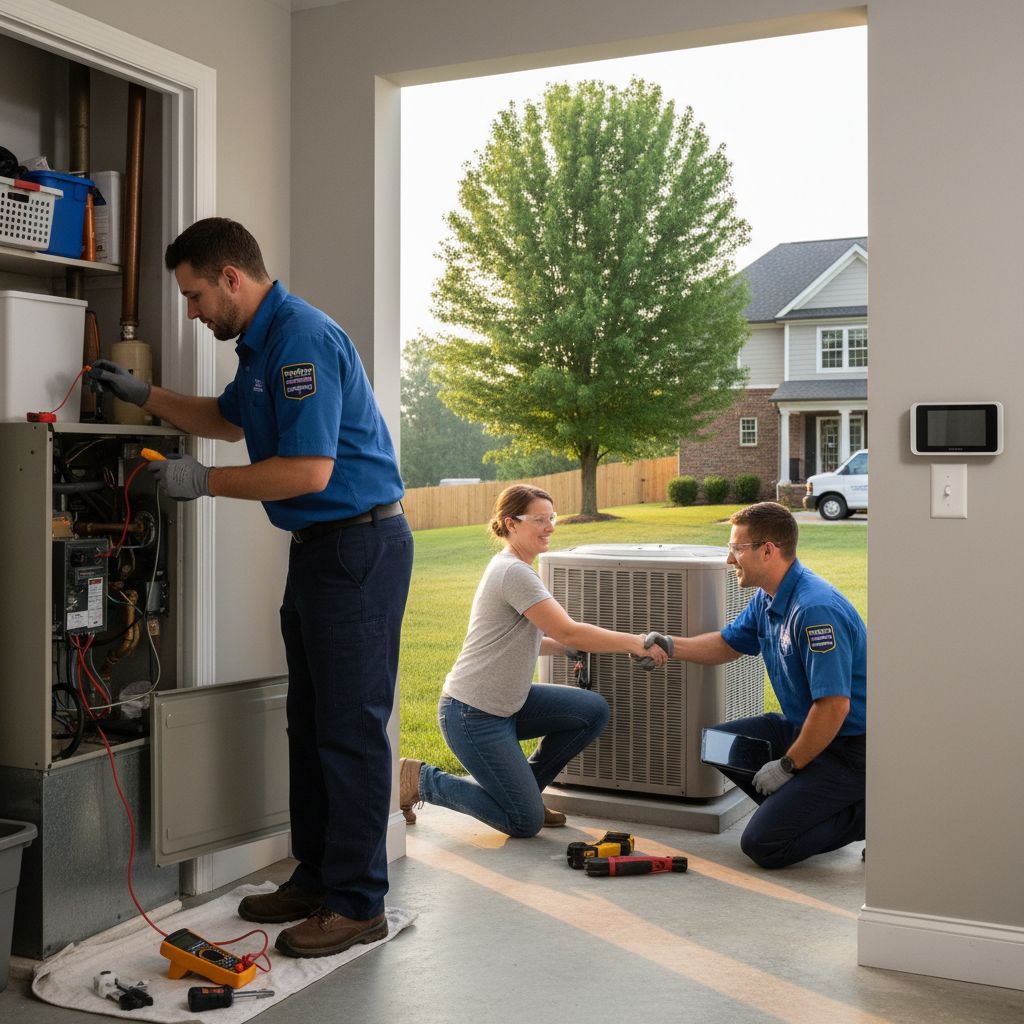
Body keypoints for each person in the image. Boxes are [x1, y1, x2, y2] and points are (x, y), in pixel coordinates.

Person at [89, 218, 414, 957]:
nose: (194, 310)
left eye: (196, 295)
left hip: (358, 549)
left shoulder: (300, 339)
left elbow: (308, 472)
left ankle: (359, 903)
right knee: (309, 722)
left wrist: (202, 483)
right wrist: (150, 396)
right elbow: (230, 420)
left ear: (231, 276)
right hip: (321, 551)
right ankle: (318, 877)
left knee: (350, 730)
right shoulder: (260, 345)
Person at [398, 484, 667, 837]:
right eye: (539, 519)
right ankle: (420, 779)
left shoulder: (513, 566)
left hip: (508, 705)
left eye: (552, 517)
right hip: (472, 715)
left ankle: (524, 792)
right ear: (511, 524)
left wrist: (565, 649)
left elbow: (523, 639)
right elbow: (570, 630)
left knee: (591, 710)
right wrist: (634, 643)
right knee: (524, 822)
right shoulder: (514, 572)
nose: (550, 526)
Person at [656, 501, 865, 869]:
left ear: (768, 551)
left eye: (737, 548)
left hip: (851, 749)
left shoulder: (815, 610)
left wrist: (787, 766)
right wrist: (670, 646)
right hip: (806, 729)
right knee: (719, 744)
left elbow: (834, 707)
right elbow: (728, 643)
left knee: (764, 844)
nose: (729, 559)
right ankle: (806, 803)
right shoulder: (768, 596)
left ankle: (871, 814)